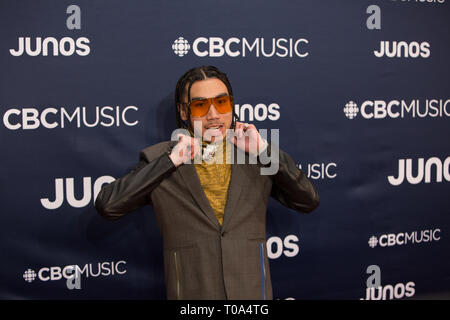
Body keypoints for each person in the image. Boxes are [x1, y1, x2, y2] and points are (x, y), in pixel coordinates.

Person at [95, 65, 319, 300]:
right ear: (184, 112)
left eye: (221, 103)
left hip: (251, 293)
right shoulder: (160, 159)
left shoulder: (254, 154)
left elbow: (307, 200)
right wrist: (171, 161)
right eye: (200, 106)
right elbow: (109, 205)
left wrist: (263, 150)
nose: (213, 115)